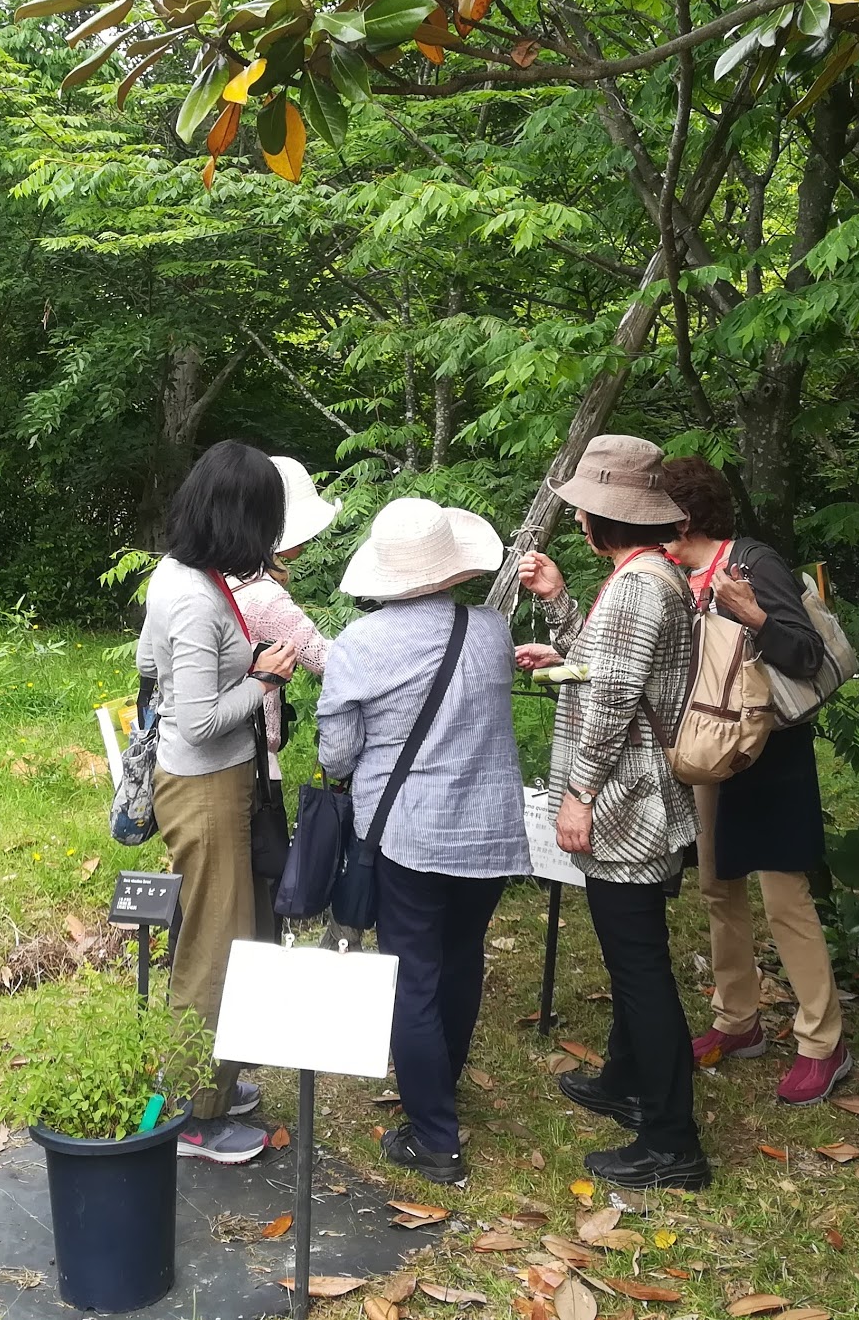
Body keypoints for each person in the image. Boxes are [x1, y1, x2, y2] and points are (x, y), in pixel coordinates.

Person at [514, 436, 709, 1191]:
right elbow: (609, 669)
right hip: (638, 792)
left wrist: (579, 794)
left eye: (583, 510)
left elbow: (615, 700)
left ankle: (672, 1141)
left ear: (604, 517)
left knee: (640, 969)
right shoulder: (649, 575)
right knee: (635, 956)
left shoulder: (637, 587)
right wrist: (560, 612)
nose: (577, 520)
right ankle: (626, 1081)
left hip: (626, 801)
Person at [317, 498, 529, 1187]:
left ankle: (435, 1137)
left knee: (411, 972)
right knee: (461, 958)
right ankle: (443, 1082)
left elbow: (336, 753)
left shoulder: (359, 645)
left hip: (407, 830)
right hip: (489, 828)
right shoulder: (491, 630)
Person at [657, 456, 850, 1105]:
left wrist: (754, 614)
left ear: (684, 517)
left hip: (773, 757)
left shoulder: (752, 563)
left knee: (784, 898)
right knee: (717, 888)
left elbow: (806, 655)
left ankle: (823, 1041)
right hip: (715, 755)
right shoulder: (679, 576)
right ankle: (737, 1021)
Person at [136, 440, 295, 1164]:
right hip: (205, 788)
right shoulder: (196, 599)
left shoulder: (178, 573)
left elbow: (150, 665)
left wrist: (238, 671)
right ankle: (192, 1117)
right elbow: (200, 722)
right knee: (212, 949)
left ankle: (215, 1083)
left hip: (201, 783)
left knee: (226, 934)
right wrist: (262, 680)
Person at [227, 454, 342, 799]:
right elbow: (325, 659)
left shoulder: (223, 574)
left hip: (223, 743)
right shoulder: (264, 596)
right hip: (251, 750)